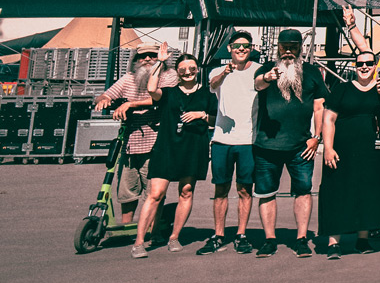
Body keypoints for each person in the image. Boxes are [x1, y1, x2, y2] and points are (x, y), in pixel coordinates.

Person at [249, 30, 329, 256]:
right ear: (277, 47)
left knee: (303, 191)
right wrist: (267, 78)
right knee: (266, 193)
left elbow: (319, 107)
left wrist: (317, 137)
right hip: (266, 146)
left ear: (300, 48)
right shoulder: (266, 69)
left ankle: (302, 239)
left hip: (301, 146)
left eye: (293, 47)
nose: (288, 51)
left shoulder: (312, 72)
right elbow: (257, 85)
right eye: (284, 46)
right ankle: (269, 239)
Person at [130, 53, 215, 256]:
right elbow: (151, 89)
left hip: (193, 148)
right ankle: (139, 242)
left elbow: (215, 119)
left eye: (192, 69)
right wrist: (160, 62)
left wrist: (201, 115)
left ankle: (174, 237)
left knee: (186, 191)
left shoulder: (207, 94)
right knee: (155, 194)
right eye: (183, 69)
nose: (187, 73)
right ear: (177, 71)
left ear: (197, 70)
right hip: (167, 147)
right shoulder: (169, 93)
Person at [318, 43, 380, 255]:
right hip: (342, 151)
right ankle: (334, 242)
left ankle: (363, 239)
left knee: (368, 193)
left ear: (375, 66)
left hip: (374, 152)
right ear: (355, 66)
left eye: (368, 64)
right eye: (360, 64)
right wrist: (328, 148)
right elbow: (329, 118)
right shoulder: (342, 88)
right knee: (338, 192)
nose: (364, 67)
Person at [97, 46, 167, 238]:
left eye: (152, 55)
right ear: (136, 60)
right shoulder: (128, 78)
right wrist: (104, 99)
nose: (147, 59)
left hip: (156, 141)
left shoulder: (167, 76)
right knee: (127, 190)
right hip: (129, 142)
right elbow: (108, 94)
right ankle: (126, 230)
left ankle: (153, 231)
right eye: (142, 56)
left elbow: (161, 99)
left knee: (153, 191)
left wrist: (130, 104)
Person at [202, 31, 260, 254]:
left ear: (251, 48)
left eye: (246, 46)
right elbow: (213, 85)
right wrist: (226, 72)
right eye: (237, 45)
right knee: (221, 189)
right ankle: (218, 234)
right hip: (222, 140)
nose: (241, 49)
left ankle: (241, 234)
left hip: (248, 140)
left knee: (245, 190)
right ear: (230, 48)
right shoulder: (218, 71)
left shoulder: (257, 70)